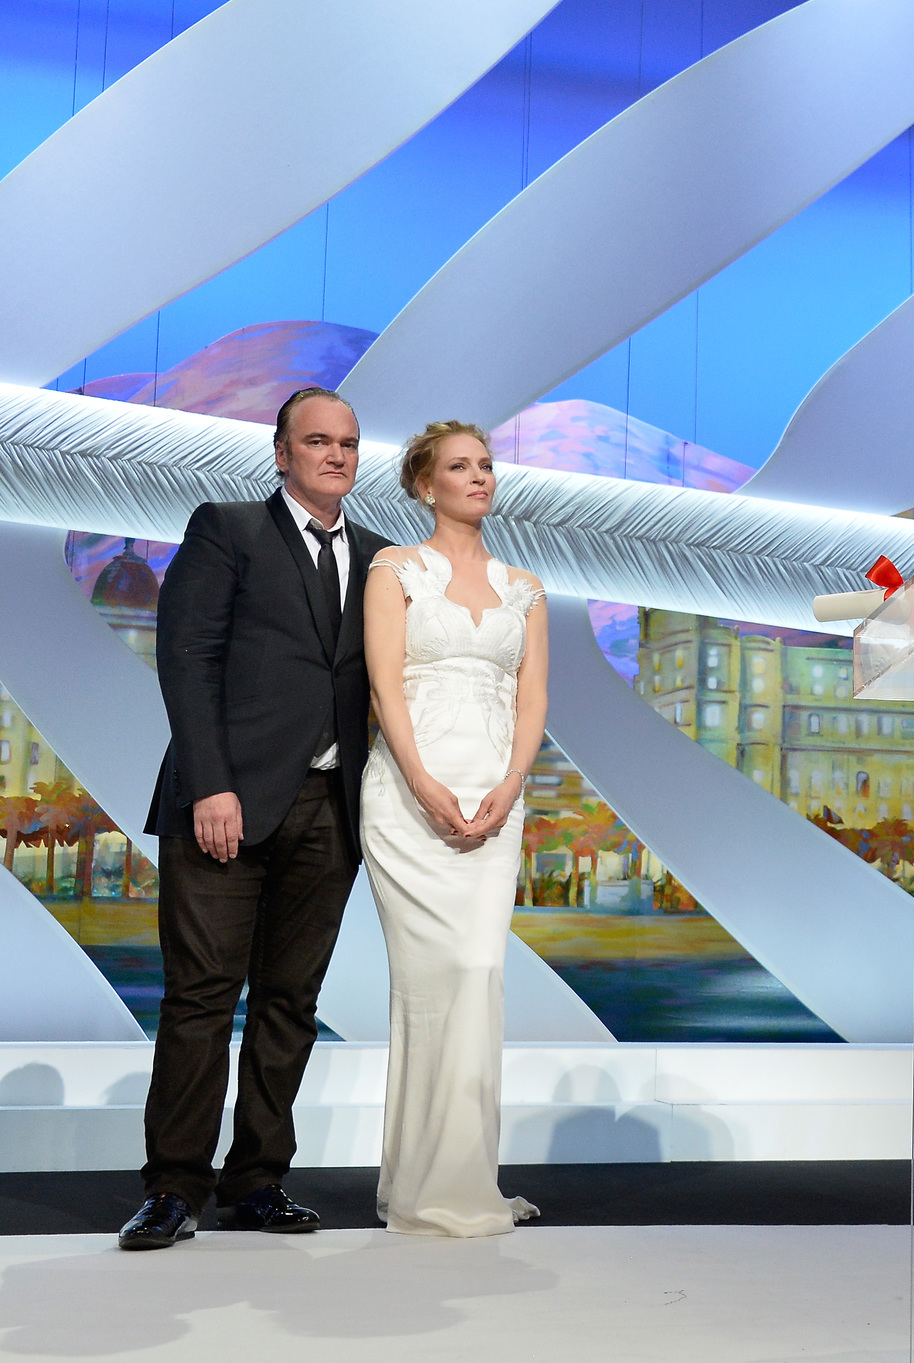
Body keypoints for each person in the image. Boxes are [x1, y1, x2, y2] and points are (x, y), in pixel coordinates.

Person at [122, 389, 393, 1250]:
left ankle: (259, 1180)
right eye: (318, 441)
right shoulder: (226, 527)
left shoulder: (386, 560)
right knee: (201, 997)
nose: (336, 455)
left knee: (290, 1002)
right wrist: (211, 783)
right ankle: (172, 1187)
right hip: (225, 801)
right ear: (282, 453)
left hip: (331, 809)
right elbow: (187, 655)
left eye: (348, 443)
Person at [360, 420, 548, 1236]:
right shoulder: (393, 570)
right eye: (460, 466)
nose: (479, 477)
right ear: (423, 484)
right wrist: (423, 781)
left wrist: (511, 784)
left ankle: (459, 1178)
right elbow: (382, 687)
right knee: (432, 985)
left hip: (494, 802)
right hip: (409, 796)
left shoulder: (525, 586)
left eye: (486, 465)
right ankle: (420, 1185)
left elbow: (533, 700)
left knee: (479, 975)